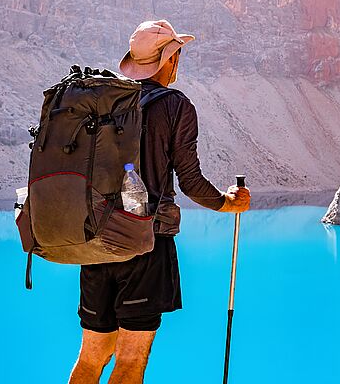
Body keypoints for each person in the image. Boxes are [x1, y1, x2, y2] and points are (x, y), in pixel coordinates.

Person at [68, 19, 251, 384]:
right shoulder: (174, 106)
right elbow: (191, 181)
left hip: (95, 244)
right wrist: (227, 203)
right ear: (169, 59)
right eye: (177, 53)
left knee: (91, 357)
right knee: (131, 361)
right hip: (144, 245)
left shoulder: (105, 102)